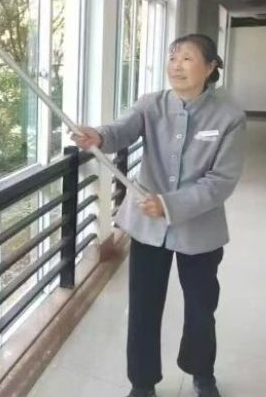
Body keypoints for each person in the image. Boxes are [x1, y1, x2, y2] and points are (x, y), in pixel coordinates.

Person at [73, 34, 246, 397]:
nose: (176, 66)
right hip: (148, 227)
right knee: (143, 306)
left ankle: (202, 373)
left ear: (210, 67)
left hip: (200, 230)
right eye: (172, 58)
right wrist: (98, 136)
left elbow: (221, 182)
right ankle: (142, 382)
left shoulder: (229, 117)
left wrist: (170, 205)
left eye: (187, 58)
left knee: (201, 308)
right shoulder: (150, 104)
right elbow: (121, 130)